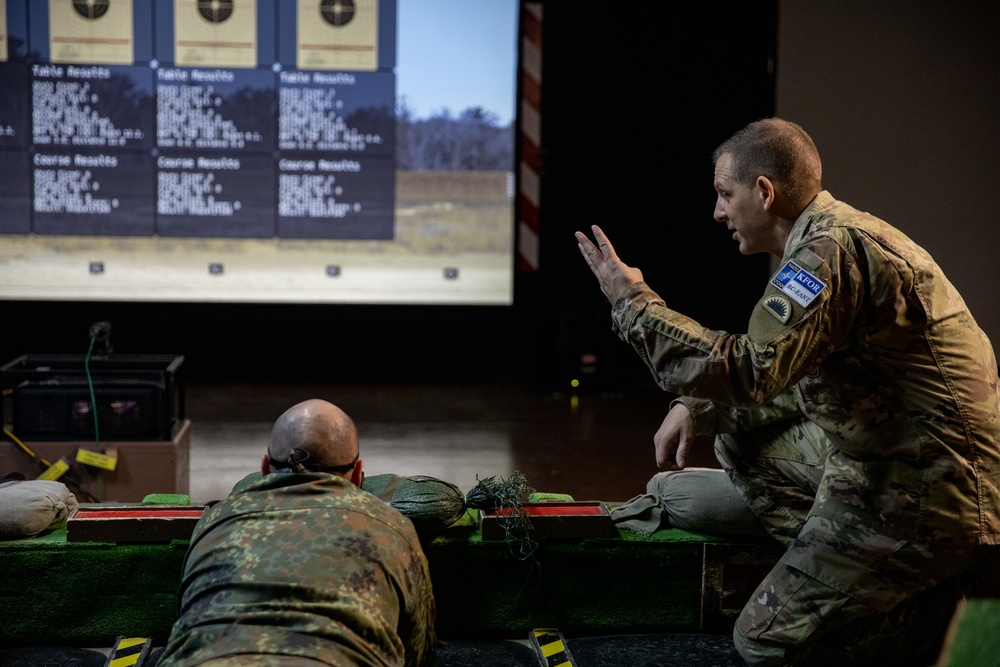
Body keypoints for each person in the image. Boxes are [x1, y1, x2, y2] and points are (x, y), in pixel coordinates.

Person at [576, 118, 1000, 665]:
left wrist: (632, 301)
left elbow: (752, 370)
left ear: (764, 192)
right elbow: (797, 384)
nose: (718, 212)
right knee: (735, 437)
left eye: (725, 195)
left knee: (763, 640)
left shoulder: (829, 253)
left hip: (931, 493)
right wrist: (698, 407)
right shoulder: (835, 236)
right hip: (903, 462)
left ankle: (928, 616)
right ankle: (857, 572)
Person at [157, 399, 437, 667]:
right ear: (358, 474)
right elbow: (417, 651)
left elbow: (186, 614)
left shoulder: (215, 520)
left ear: (265, 467)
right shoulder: (391, 526)